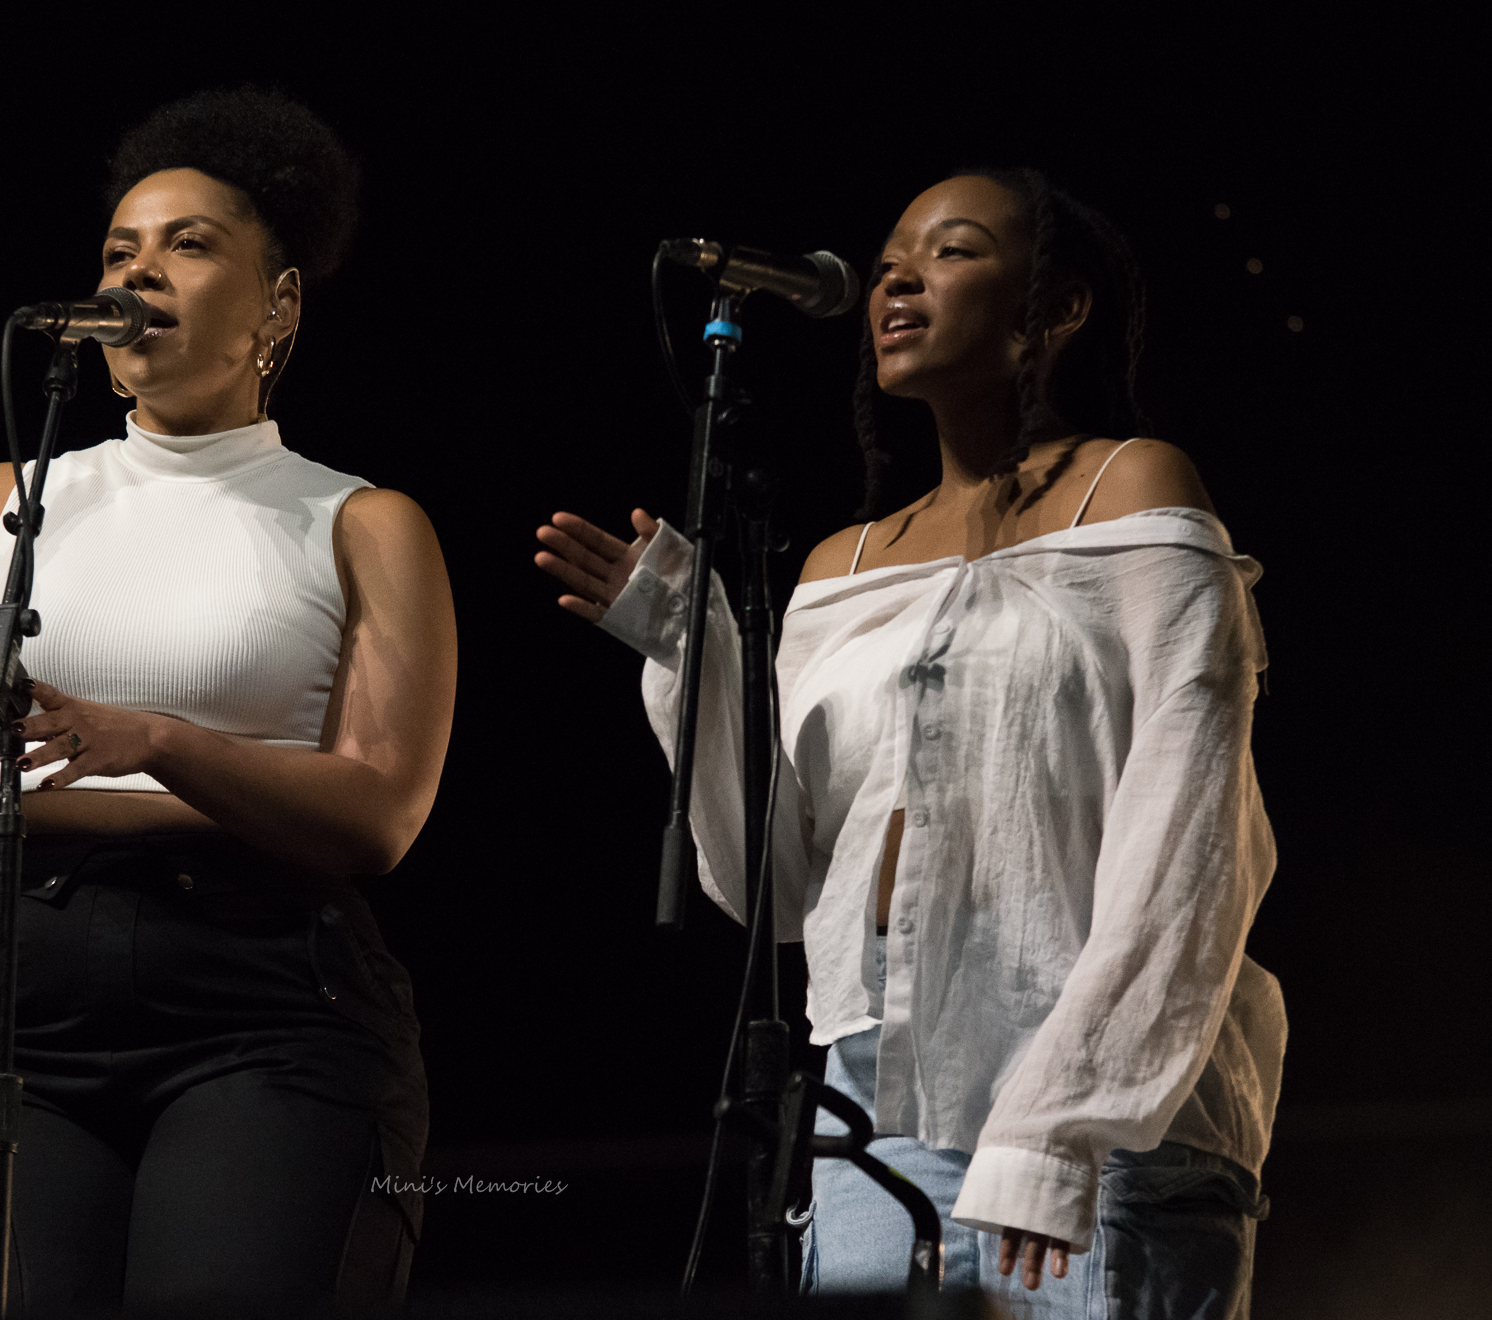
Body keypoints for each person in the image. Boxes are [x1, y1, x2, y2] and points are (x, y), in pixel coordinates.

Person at [0, 88, 455, 1316]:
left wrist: (159, 742)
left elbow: (378, 813)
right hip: (6, 981)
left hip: (261, 989)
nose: (138, 271)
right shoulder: (7, 501)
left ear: (278, 304)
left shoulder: (357, 520)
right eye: (120, 250)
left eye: (188, 243)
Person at [535, 169, 1283, 1316]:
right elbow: (779, 884)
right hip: (872, 1089)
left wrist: (1059, 1119)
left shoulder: (1131, 485)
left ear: (1055, 306)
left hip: (1095, 1084)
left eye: (951, 251)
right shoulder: (843, 561)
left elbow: (1188, 831)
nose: (896, 277)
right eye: (889, 257)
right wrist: (694, 643)